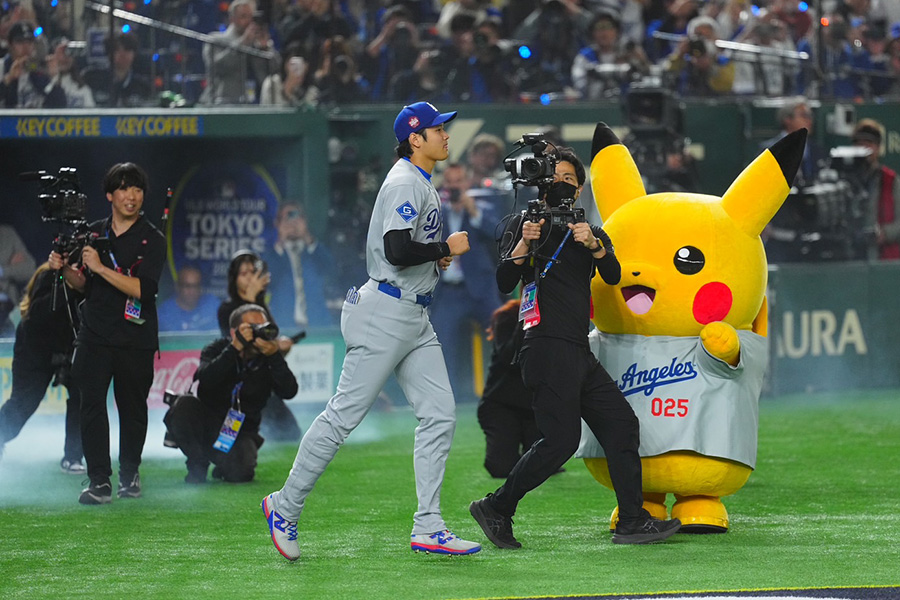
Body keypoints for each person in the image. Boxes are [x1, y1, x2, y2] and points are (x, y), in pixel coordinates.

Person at [261, 101, 481, 561]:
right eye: (438, 129)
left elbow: (406, 249)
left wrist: (433, 256)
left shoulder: (419, 179)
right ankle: (284, 505)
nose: (446, 134)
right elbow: (397, 249)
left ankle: (429, 525)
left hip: (411, 313)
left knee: (440, 413)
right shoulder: (405, 179)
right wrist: (445, 246)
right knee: (342, 417)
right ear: (415, 138)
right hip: (386, 312)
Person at [468, 145, 682, 548]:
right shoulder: (525, 223)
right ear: (542, 183)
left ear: (581, 188)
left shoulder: (588, 230)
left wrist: (595, 245)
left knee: (620, 423)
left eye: (570, 179)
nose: (563, 185)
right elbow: (502, 282)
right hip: (545, 347)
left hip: (576, 349)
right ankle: (497, 507)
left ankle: (632, 521)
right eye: (556, 177)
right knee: (561, 441)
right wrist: (523, 246)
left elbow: (614, 274)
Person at [48, 162, 166, 505]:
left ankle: (130, 471)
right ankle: (99, 480)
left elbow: (144, 290)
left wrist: (99, 266)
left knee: (132, 409)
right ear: (110, 195)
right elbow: (85, 285)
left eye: (138, 189)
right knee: (91, 406)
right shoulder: (93, 234)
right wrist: (66, 270)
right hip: (94, 333)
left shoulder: (153, 238)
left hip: (135, 337)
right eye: (125, 189)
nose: (132, 196)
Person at [163, 303, 298, 483]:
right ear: (235, 332)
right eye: (253, 328)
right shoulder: (217, 349)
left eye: (263, 327)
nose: (260, 333)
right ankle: (197, 463)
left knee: (241, 473)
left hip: (241, 432)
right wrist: (234, 349)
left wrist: (275, 356)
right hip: (207, 424)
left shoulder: (268, 359)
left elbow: (289, 391)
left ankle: (224, 465)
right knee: (184, 405)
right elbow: (207, 378)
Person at [0, 262, 83, 472]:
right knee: (23, 404)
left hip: (71, 346)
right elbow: (37, 312)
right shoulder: (49, 275)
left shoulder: (89, 278)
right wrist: (66, 287)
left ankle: (73, 457)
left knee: (81, 399)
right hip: (35, 349)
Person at [430, 162, 501, 403]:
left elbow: (497, 233)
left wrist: (473, 211)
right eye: (450, 182)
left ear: (467, 183)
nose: (454, 187)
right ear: (444, 185)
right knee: (439, 343)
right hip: (449, 292)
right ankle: (444, 398)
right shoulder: (436, 212)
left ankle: (506, 391)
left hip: (480, 289)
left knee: (504, 334)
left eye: (459, 181)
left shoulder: (482, 207)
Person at [217, 249, 302, 442]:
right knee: (228, 444)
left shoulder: (262, 305)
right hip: (237, 387)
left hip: (262, 384)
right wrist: (252, 296)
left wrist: (279, 349)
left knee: (291, 435)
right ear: (234, 278)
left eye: (252, 272)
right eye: (243, 273)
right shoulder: (227, 308)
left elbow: (266, 346)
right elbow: (236, 346)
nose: (250, 278)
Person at [477, 299, 539, 479]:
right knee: (501, 467)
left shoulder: (559, 316)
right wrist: (527, 317)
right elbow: (510, 357)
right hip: (502, 405)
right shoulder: (507, 316)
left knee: (542, 465)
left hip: (536, 407)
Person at [262, 202, 336, 332]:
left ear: (305, 221)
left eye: (296, 217)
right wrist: (281, 240)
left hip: (318, 327)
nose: (292, 223)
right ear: (277, 224)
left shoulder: (314, 251)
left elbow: (332, 270)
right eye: (286, 219)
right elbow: (268, 283)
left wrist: (307, 237)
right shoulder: (272, 256)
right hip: (284, 328)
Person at [200, 0, 276, 105]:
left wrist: (265, 48)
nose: (249, 21)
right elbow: (216, 67)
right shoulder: (216, 40)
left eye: (251, 17)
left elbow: (276, 70)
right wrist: (243, 42)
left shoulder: (258, 43)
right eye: (243, 16)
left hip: (258, 103)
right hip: (222, 102)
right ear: (232, 19)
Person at [849, 118, 900, 260]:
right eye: (859, 144)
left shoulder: (890, 180)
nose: (864, 149)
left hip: (880, 256)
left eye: (869, 144)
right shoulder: (843, 178)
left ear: (878, 148)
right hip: (849, 255)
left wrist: (884, 233)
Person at [0, 21, 66, 108]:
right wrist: (8, 79)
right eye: (20, 42)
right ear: (10, 45)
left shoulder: (37, 68)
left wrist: (54, 78)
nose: (25, 47)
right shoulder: (2, 66)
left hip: (34, 121)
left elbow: (60, 104)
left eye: (29, 42)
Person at [82, 32, 152, 108]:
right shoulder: (92, 78)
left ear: (134, 54)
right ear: (108, 53)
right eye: (117, 50)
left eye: (127, 50)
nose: (123, 55)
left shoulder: (143, 85)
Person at [157, 265, 220, 332]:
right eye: (187, 286)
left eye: (195, 286)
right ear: (177, 287)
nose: (192, 291)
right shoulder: (164, 313)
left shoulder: (212, 305)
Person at [0, 223, 36, 336]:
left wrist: (3, 271)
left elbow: (30, 268)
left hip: (8, 309)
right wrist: (12, 265)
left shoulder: (7, 235)